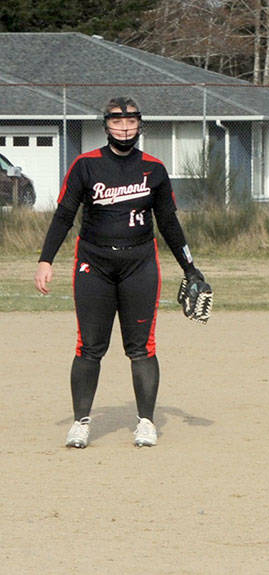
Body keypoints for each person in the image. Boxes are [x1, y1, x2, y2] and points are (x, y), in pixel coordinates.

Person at [34, 96, 204, 449]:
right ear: (106, 125)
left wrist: (189, 267)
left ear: (140, 124)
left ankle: (145, 422)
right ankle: (81, 422)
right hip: (92, 263)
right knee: (89, 346)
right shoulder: (86, 165)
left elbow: (170, 223)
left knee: (142, 347)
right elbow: (64, 214)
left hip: (140, 263)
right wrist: (45, 259)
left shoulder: (154, 169)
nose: (124, 128)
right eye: (117, 122)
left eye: (130, 122)